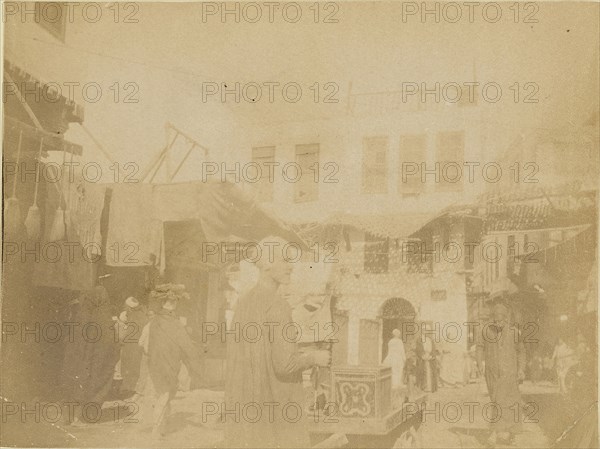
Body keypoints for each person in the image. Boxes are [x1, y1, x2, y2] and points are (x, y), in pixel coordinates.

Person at [224, 236, 331, 448]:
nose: (291, 267)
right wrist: (315, 357)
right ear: (268, 265)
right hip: (274, 407)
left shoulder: (244, 302)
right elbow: (285, 364)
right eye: (285, 260)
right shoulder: (278, 305)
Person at [145, 284, 202, 439]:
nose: (172, 304)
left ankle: (161, 427)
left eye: (173, 302)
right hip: (169, 364)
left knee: (162, 395)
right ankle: (156, 430)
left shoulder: (154, 321)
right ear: (164, 303)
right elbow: (187, 346)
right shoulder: (175, 323)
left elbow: (143, 343)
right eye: (171, 302)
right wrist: (196, 360)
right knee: (165, 396)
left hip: (155, 363)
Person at [63, 285, 120, 425]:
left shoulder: (83, 315)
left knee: (77, 384)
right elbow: (114, 344)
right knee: (96, 385)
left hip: (80, 360)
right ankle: (87, 417)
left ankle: (71, 416)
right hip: (99, 362)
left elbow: (74, 340)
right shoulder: (105, 317)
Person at [476, 301, 525, 447]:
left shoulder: (514, 332)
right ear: (493, 318)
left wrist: (521, 368)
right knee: (497, 401)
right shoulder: (485, 331)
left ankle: (498, 434)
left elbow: (522, 351)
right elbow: (479, 347)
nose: (498, 322)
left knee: (507, 403)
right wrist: (479, 363)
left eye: (501, 319)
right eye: (496, 319)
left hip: (510, 374)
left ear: (506, 318)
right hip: (491, 374)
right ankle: (506, 434)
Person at [118, 297, 148, 397]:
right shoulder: (142, 314)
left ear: (129, 308)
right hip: (138, 344)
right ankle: (133, 386)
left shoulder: (130, 315)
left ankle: (128, 387)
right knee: (135, 365)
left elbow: (124, 332)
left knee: (128, 365)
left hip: (131, 345)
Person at [416, 325, 438, 393]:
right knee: (423, 371)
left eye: (427, 331)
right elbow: (418, 349)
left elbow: (433, 349)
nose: (426, 332)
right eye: (424, 330)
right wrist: (423, 356)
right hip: (423, 358)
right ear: (422, 331)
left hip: (430, 358)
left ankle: (430, 387)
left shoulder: (430, 339)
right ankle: (423, 387)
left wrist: (431, 356)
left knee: (430, 372)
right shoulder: (419, 339)